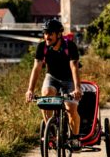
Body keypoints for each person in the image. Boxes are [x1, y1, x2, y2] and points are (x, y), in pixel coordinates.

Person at [24, 19, 84, 150]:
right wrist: (30, 90)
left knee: (71, 109)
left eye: (50, 34)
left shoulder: (70, 46)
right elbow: (37, 68)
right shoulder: (42, 47)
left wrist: (77, 89)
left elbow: (74, 68)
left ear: (59, 34)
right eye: (45, 34)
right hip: (52, 78)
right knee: (46, 95)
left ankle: (75, 138)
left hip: (69, 79)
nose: (47, 37)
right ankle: (50, 129)